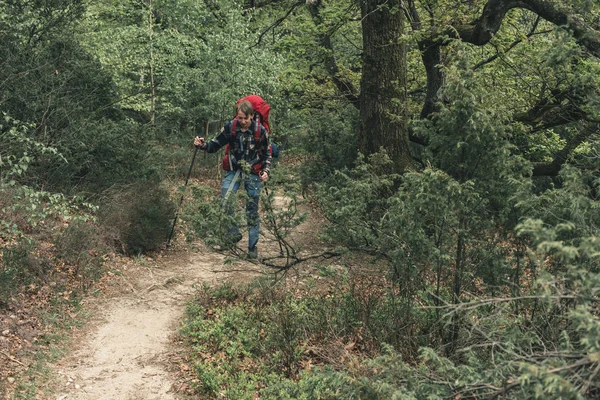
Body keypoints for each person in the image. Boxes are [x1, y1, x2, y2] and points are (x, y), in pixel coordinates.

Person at [194, 100, 271, 259]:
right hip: (234, 168)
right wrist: (203, 145)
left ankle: (252, 247)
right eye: (239, 118)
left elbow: (267, 154)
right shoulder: (231, 126)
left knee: (252, 207)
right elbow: (215, 144)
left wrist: (266, 170)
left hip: (253, 170)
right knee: (226, 198)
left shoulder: (260, 131)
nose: (242, 121)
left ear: (252, 116)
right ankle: (233, 234)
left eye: (245, 118)